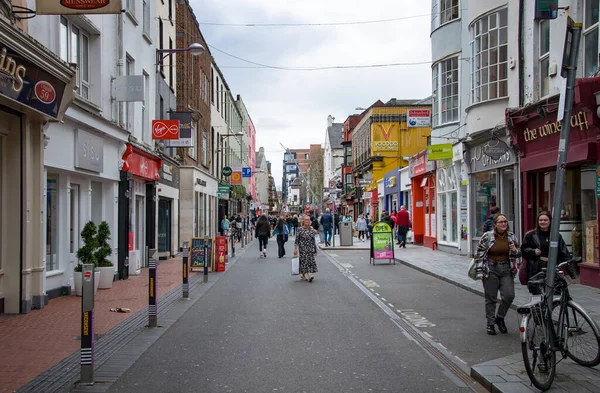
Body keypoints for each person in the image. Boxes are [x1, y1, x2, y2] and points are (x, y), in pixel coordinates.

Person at [474, 213, 521, 335]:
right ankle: (490, 324)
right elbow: (479, 254)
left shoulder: (511, 237)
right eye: (501, 222)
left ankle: (499, 318)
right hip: (491, 268)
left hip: (506, 269)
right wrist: (479, 272)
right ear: (495, 224)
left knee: (509, 295)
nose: (504, 224)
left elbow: (518, 254)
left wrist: (515, 250)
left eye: (505, 221)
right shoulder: (487, 236)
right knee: (491, 298)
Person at [521, 211, 571, 294]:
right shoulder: (530, 235)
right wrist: (533, 252)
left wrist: (572, 272)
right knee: (538, 293)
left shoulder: (556, 235)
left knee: (555, 292)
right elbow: (523, 250)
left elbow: (564, 252)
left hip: (553, 267)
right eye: (540, 220)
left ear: (550, 221)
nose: (543, 222)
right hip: (536, 268)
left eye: (545, 220)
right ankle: (538, 306)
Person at [294, 214, 318, 282]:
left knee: (308, 261)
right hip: (302, 248)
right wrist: (295, 248)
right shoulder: (300, 229)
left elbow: (313, 239)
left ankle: (303, 274)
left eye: (308, 220)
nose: (307, 221)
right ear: (303, 221)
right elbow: (297, 239)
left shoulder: (311, 228)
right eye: (306, 220)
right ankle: (309, 274)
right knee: (305, 261)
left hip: (310, 247)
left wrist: (314, 247)